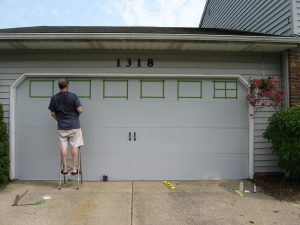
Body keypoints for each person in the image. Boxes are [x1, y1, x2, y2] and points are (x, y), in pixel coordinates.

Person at [48, 78, 84, 175]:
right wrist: (77, 113)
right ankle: (74, 169)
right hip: (74, 126)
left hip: (62, 127)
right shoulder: (73, 96)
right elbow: (80, 110)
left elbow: (52, 113)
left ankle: (64, 169)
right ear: (67, 85)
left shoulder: (54, 98)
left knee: (63, 147)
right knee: (75, 146)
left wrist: (59, 120)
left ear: (59, 86)